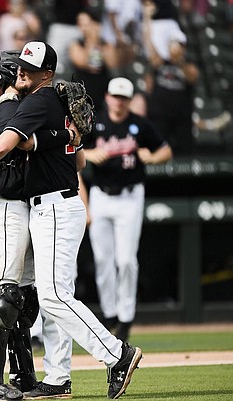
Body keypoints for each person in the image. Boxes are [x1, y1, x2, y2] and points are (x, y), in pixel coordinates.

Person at [0, 41, 143, 400]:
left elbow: (4, 143)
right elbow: (78, 162)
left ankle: (117, 354)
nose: (23, 72)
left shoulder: (38, 100)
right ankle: (59, 378)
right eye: (21, 66)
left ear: (48, 73)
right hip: (56, 202)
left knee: (55, 296)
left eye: (31, 68)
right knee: (52, 297)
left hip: (54, 207)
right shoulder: (55, 102)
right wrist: (56, 139)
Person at [82, 77, 173, 342]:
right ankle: (110, 314)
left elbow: (165, 151)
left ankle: (125, 316)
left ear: (130, 100)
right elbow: (73, 148)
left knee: (126, 260)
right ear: (108, 97)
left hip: (130, 196)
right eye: (115, 96)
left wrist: (152, 157)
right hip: (101, 195)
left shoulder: (140, 125)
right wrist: (88, 155)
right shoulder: (95, 123)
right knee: (103, 259)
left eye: (124, 97)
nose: (119, 102)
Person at [142, 0, 198, 155]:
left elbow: (192, 77)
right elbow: (149, 45)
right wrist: (147, 19)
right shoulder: (161, 62)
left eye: (178, 44)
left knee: (186, 155)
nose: (175, 47)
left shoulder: (188, 65)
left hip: (182, 118)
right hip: (160, 116)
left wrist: (179, 60)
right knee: (158, 151)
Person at [69, 8, 120, 114]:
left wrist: (99, 42)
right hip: (83, 87)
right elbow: (82, 62)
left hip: (102, 88)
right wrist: (91, 41)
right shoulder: (76, 44)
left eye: (86, 23)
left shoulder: (106, 44)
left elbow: (113, 63)